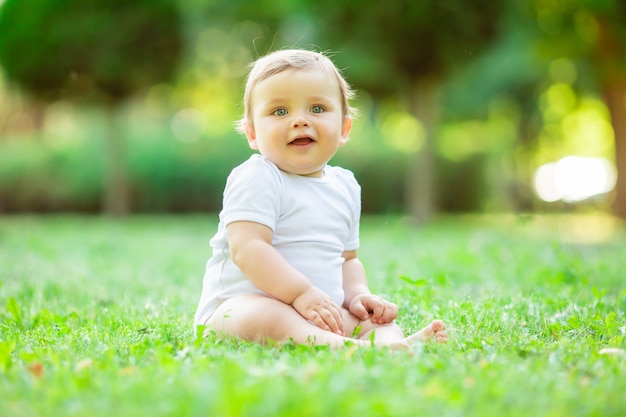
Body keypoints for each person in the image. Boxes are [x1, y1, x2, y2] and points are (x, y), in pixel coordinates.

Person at [194, 49, 447, 350]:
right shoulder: (258, 177)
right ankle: (355, 350)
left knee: (376, 323)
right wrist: (300, 294)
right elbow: (248, 249)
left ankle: (393, 346)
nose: (300, 120)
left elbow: (347, 260)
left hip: (317, 311)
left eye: (316, 109)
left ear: (344, 128)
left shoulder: (345, 186)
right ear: (252, 133)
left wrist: (357, 295)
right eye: (279, 112)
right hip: (238, 312)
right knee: (269, 315)